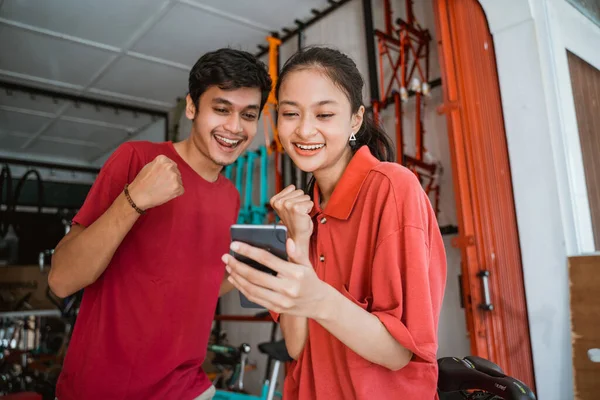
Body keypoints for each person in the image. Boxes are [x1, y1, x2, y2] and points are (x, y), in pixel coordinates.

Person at [223, 46, 447, 399]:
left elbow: (398, 353)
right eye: (290, 113)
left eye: (324, 114)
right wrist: (297, 242)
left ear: (355, 120)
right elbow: (297, 348)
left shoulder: (392, 188)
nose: (305, 130)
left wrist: (317, 297)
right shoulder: (302, 214)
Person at [48, 48, 272, 400]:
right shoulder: (137, 158)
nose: (234, 127)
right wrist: (134, 200)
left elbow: (199, 289)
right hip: (102, 390)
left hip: (186, 389)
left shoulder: (231, 196)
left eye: (248, 114)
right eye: (221, 109)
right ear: (192, 107)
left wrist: (265, 264)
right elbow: (61, 280)